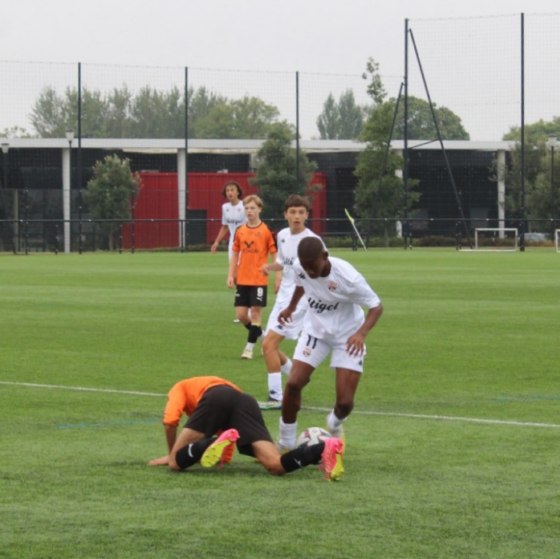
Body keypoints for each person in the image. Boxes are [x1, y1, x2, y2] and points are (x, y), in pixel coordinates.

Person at [276, 236, 383, 451]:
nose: (310, 271)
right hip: (315, 332)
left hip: (349, 335)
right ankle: (285, 442)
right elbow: (301, 283)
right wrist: (290, 308)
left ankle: (334, 424)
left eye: (313, 266)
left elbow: (376, 306)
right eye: (305, 267)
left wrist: (361, 334)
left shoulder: (347, 277)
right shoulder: (301, 267)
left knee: (344, 403)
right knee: (294, 383)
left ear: (325, 257)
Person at [147, 376, 345, 480]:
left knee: (175, 463)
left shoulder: (179, 387)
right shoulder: (220, 386)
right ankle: (324, 447)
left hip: (215, 397)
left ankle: (210, 443)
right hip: (246, 401)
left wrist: (171, 454)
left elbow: (170, 420)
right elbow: (229, 427)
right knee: (274, 465)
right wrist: (224, 456)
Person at [259, 195, 322, 406]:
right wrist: (270, 267)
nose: (297, 216)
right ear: (285, 214)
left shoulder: (312, 241)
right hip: (283, 298)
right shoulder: (284, 235)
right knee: (268, 347)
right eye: (293, 212)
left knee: (268, 344)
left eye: (301, 212)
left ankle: (276, 397)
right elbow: (283, 263)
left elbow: (320, 271)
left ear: (307, 215)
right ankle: (297, 376)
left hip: (299, 301)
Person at [228, 194, 276, 360]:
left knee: (255, 313)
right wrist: (231, 274)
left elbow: (275, 254)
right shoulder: (240, 231)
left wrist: (276, 274)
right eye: (246, 208)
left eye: (252, 208)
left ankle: (248, 349)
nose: (249, 211)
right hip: (242, 279)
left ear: (259, 209)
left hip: (259, 280)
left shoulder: (266, 231)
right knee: (242, 315)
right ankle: (265, 339)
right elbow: (235, 254)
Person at [210, 180, 246, 324]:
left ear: (238, 191)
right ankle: (244, 308)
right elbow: (225, 226)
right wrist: (217, 242)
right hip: (233, 245)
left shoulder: (244, 206)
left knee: (241, 274)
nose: (230, 192)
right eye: (228, 190)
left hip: (246, 244)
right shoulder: (225, 207)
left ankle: (246, 309)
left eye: (232, 190)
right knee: (236, 277)